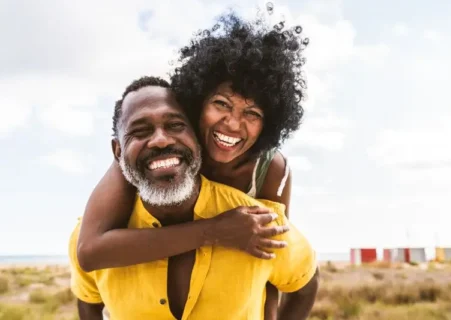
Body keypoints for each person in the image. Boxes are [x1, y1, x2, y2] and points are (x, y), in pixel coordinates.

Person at [76, 11, 313, 319]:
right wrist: (214, 231)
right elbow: (91, 250)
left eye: (252, 113)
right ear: (196, 103)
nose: (232, 124)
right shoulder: (154, 155)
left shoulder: (270, 169)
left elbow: (271, 259)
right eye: (221, 104)